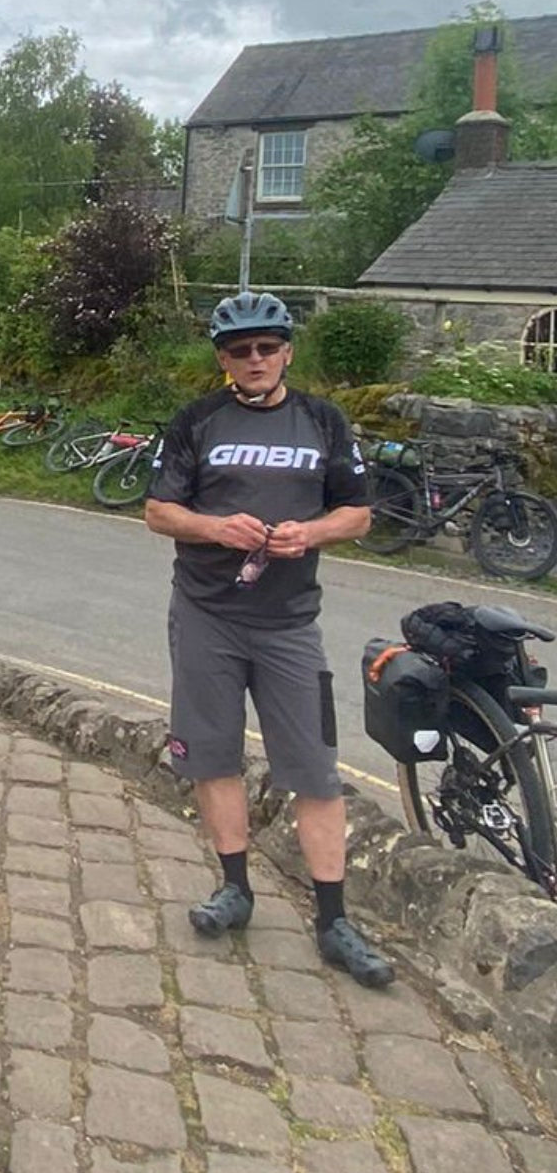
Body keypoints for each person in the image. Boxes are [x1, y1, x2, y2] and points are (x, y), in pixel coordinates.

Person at [144, 290, 394, 989]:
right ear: (223, 359)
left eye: (266, 346)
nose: (254, 359)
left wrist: (310, 533)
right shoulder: (197, 421)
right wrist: (216, 528)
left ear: (286, 351)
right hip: (205, 617)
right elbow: (159, 511)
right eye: (239, 349)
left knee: (313, 768)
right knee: (213, 756)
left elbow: (360, 514)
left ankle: (334, 920)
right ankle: (236, 888)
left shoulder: (323, 419)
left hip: (289, 624)